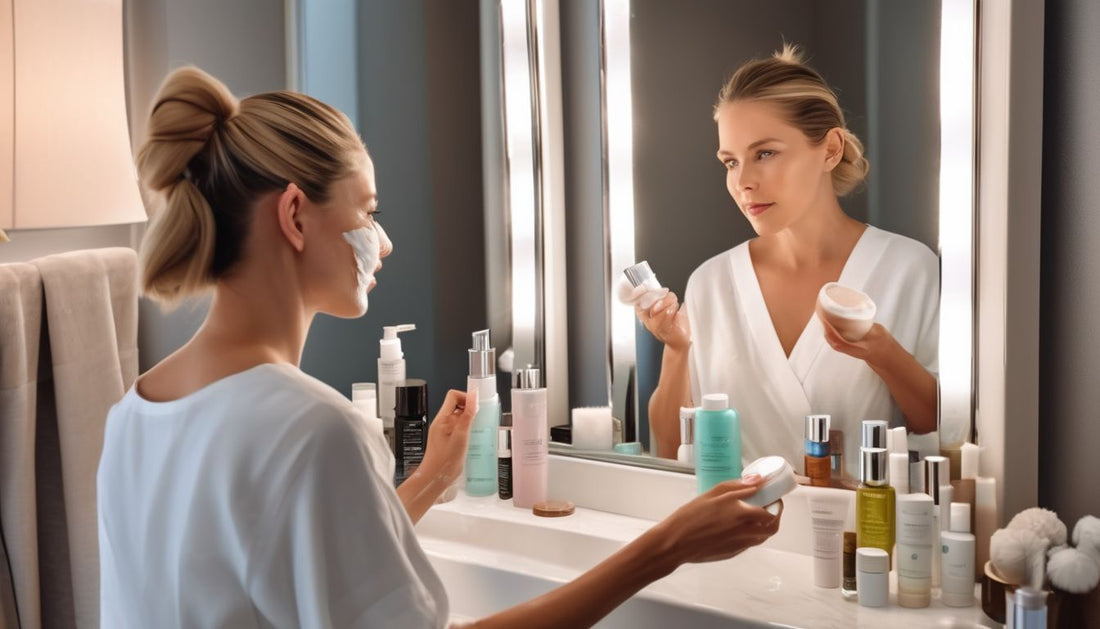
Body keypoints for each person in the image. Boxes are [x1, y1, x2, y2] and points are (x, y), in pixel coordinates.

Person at [96, 66, 781, 628]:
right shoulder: (312, 429)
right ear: (296, 214)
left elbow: (275, 565)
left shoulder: (133, 412)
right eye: (368, 212)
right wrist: (663, 545)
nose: (384, 242)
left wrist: (423, 484)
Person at [638, 45, 939, 468]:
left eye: (764, 153)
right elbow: (668, 454)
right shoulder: (711, 283)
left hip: (862, 529)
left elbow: (943, 433)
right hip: (736, 533)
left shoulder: (908, 269)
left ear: (830, 149)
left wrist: (881, 352)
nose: (743, 181)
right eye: (730, 162)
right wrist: (676, 348)